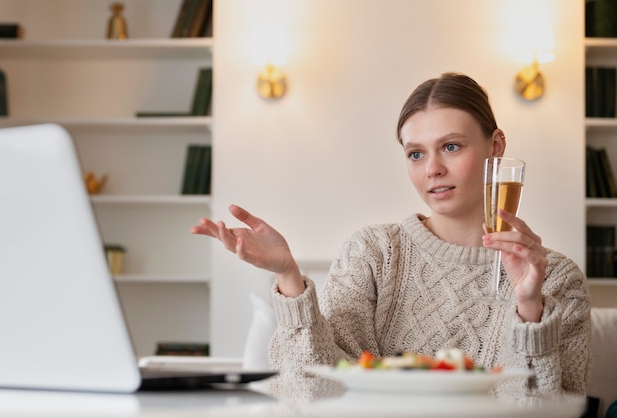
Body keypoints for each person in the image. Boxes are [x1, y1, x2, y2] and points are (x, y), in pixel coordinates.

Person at [191, 72, 591, 398]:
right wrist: (289, 277)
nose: (431, 169)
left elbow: (542, 408)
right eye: (416, 153)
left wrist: (529, 309)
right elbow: (310, 388)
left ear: (496, 147)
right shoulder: (374, 252)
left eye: (451, 147)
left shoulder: (556, 278)